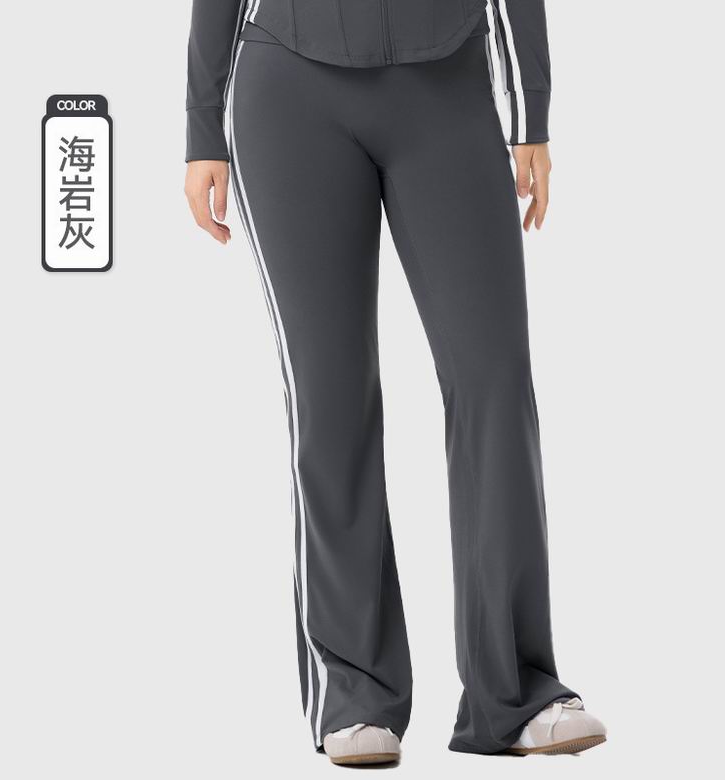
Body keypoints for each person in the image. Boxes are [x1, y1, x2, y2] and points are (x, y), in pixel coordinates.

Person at [184, 0, 606, 765]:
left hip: (446, 90)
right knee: (330, 397)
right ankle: (354, 694)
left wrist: (531, 113)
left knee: (494, 382)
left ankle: (515, 692)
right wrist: (201, 126)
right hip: (290, 91)